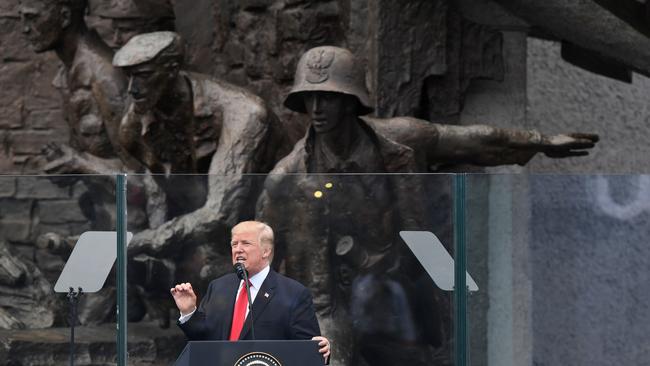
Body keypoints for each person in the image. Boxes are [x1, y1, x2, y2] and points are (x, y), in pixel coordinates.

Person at [258, 45, 600, 365]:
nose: (317, 109)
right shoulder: (286, 179)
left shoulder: (399, 139)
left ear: (350, 100)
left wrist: (541, 142)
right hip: (332, 295)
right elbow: (264, 256)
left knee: (468, 323)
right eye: (310, 98)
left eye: (328, 98)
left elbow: (471, 140)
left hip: (414, 257)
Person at [170, 221, 331, 361]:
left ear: (266, 251)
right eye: (234, 244)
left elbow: (309, 351)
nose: (238, 249)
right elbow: (202, 339)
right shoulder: (218, 287)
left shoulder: (294, 293)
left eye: (246, 243)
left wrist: (320, 350)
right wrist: (189, 312)